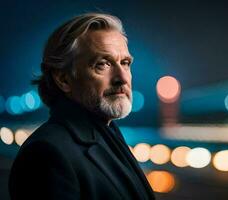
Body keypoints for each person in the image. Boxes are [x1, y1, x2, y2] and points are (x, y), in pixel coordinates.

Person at [9, 13, 155, 200]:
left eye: (125, 63)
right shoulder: (46, 154)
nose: (122, 78)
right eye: (102, 64)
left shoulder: (109, 134)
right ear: (63, 79)